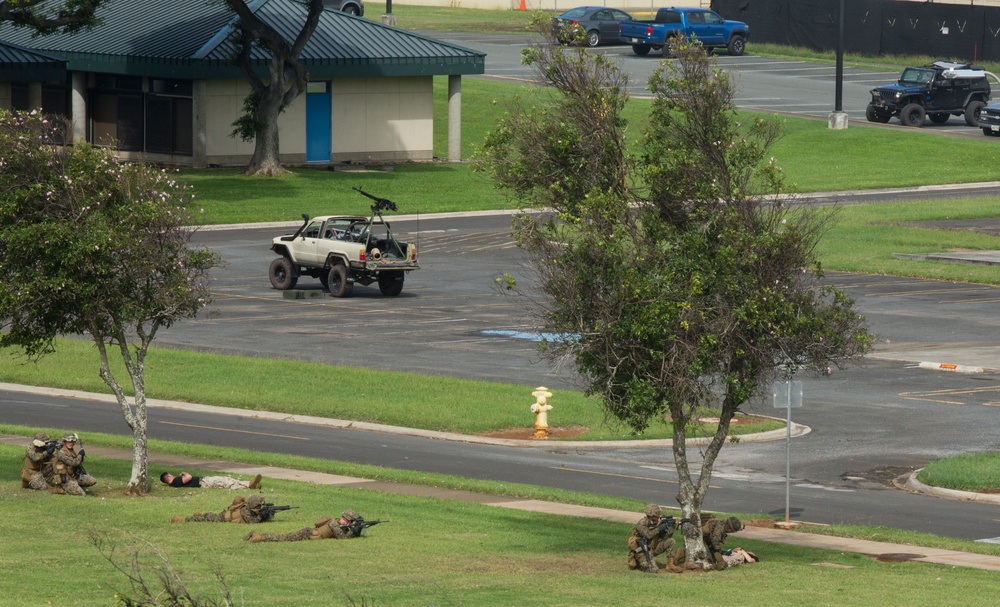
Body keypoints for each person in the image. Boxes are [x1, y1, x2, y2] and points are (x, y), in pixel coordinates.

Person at [244, 510, 367, 543]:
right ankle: (258, 537)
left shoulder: (337, 522)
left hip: (309, 533)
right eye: (350, 522)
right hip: (308, 534)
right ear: (345, 519)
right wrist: (355, 532)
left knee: (285, 537)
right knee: (284, 538)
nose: (350, 524)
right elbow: (343, 538)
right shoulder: (335, 524)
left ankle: (257, 535)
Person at [627, 503, 679, 573]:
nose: (658, 516)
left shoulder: (658, 523)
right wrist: (659, 528)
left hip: (652, 549)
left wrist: (670, 529)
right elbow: (647, 535)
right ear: (652, 515)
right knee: (653, 570)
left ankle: (670, 565)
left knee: (671, 541)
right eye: (657, 514)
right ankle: (639, 562)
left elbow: (665, 538)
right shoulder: (641, 523)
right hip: (640, 550)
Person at [170, 494, 269, 524]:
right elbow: (252, 522)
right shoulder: (246, 512)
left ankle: (202, 513)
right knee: (205, 520)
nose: (259, 508)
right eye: (258, 506)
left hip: (224, 514)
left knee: (211, 515)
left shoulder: (247, 508)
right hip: (223, 518)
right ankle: (182, 519)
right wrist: (262, 516)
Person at [160, 471, 262, 490]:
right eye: (170, 474)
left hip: (204, 481)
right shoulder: (175, 481)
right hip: (204, 482)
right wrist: (184, 473)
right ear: (168, 477)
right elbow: (189, 477)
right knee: (225, 482)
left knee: (227, 480)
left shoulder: (175, 483)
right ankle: (249, 484)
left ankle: (250, 484)